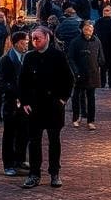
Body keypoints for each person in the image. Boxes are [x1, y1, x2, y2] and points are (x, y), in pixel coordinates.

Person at [18, 26, 75, 189]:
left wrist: (63, 99)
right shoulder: (29, 57)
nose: (35, 41)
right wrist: (24, 101)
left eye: (38, 38)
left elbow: (68, 79)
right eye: (33, 38)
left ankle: (54, 173)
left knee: (54, 140)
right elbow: (23, 81)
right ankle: (34, 174)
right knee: (34, 141)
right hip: (35, 105)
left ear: (47, 38)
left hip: (53, 105)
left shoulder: (58, 56)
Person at [0, 31, 30, 175]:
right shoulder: (6, 60)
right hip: (11, 103)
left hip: (25, 103)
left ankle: (20, 159)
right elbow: (3, 82)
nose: (26, 45)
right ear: (17, 43)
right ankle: (8, 164)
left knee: (24, 132)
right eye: (24, 43)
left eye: (27, 43)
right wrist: (15, 93)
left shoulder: (27, 58)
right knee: (9, 134)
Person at [66, 20, 105, 129]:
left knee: (91, 98)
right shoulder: (76, 41)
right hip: (79, 73)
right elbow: (70, 58)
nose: (89, 31)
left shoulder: (97, 41)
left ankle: (91, 120)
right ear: (82, 29)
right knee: (76, 96)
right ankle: (76, 118)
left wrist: (99, 64)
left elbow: (101, 57)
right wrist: (75, 71)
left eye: (91, 29)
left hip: (92, 73)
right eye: (86, 29)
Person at [92, 4, 111, 88]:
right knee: (103, 65)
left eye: (108, 10)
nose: (107, 12)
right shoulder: (99, 22)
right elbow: (95, 34)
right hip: (102, 47)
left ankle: (110, 82)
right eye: (105, 10)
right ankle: (103, 82)